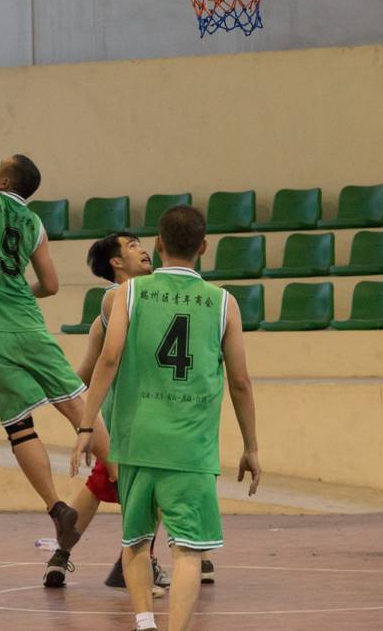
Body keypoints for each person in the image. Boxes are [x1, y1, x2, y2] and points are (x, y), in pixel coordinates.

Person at [0, 55, 110, 573]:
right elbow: (51, 285)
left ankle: (57, 507)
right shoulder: (34, 223)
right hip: (28, 324)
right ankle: (127, 478)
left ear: (2, 176)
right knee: (79, 409)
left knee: (19, 427)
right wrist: (18, 290)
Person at [73, 206, 260, 631]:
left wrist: (86, 424)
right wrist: (251, 446)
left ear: (158, 244)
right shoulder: (224, 303)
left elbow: (108, 359)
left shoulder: (129, 293)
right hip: (192, 447)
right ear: (204, 247)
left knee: (137, 542)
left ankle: (144, 622)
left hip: (137, 440)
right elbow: (241, 382)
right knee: (188, 551)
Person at [51, 234, 170, 596]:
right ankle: (135, 563)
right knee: (151, 492)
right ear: (116, 263)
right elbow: (97, 368)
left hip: (139, 415)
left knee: (99, 486)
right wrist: (84, 423)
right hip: (131, 418)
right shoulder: (117, 297)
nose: (142, 249)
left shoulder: (127, 306)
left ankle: (60, 556)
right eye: (132, 245)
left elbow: (83, 374)